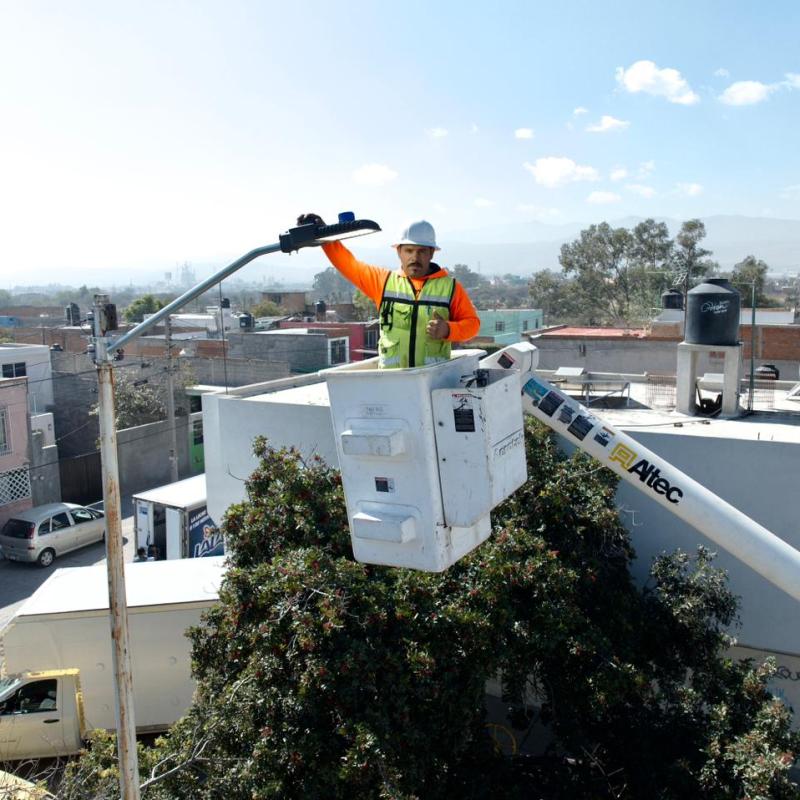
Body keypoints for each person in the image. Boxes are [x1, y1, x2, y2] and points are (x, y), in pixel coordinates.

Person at [298, 215, 480, 369]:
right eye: (409, 251)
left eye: (421, 251)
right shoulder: (383, 282)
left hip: (432, 381)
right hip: (392, 381)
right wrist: (323, 235)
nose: (414, 258)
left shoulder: (450, 288)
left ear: (431, 253)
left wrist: (449, 329)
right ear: (398, 251)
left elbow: (472, 325)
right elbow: (348, 264)